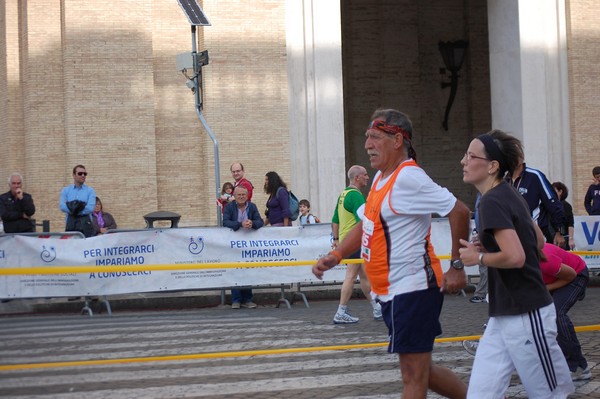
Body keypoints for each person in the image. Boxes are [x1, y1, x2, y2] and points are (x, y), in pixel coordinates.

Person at [314, 109, 470, 398]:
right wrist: (337, 255)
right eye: (366, 138)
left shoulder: (409, 177)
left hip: (413, 289)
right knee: (424, 372)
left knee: (412, 375)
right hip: (392, 292)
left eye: (374, 137)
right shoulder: (381, 178)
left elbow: (459, 211)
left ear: (397, 139)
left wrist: (457, 265)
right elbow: (367, 224)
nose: (367, 145)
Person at [459, 129, 574, 398]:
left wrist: (478, 258)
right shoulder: (510, 194)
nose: (463, 161)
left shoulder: (491, 202)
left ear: (492, 166)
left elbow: (517, 256)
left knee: (549, 394)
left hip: (526, 311)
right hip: (503, 314)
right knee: (481, 393)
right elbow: (535, 239)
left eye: (470, 156)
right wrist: (491, 245)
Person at [330, 165, 382, 324]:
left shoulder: (343, 195)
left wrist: (337, 239)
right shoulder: (356, 196)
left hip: (348, 241)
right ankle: (340, 311)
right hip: (355, 241)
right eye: (365, 175)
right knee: (351, 276)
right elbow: (364, 221)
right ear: (357, 178)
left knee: (364, 275)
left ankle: (377, 308)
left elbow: (335, 220)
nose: (368, 177)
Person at [539, 243, 590, 381]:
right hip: (553, 277)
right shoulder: (514, 260)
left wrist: (547, 288)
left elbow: (570, 276)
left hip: (576, 274)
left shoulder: (544, 259)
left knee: (556, 314)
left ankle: (578, 367)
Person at [509, 155, 565, 247]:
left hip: (536, 235)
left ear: (521, 157)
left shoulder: (535, 176)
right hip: (513, 236)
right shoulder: (505, 180)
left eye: (514, 154)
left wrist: (559, 231)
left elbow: (553, 203)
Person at [222, 185, 264, 309]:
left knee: (247, 270)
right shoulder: (229, 207)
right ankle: (236, 300)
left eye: (243, 195)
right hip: (233, 245)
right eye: (239, 195)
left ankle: (247, 299)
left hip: (248, 245)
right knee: (235, 270)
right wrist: (240, 224)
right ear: (234, 196)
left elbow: (260, 221)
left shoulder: (252, 206)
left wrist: (252, 223)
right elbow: (225, 222)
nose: (241, 197)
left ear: (247, 196)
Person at [59, 165, 96, 237]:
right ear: (73, 175)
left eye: (85, 174)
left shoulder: (90, 191)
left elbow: (90, 208)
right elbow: (62, 206)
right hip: (70, 225)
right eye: (80, 173)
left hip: (86, 226)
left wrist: (73, 209)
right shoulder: (66, 190)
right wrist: (80, 207)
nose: (83, 175)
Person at [552, 182, 575, 250]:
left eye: (553, 191)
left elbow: (570, 223)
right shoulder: (549, 205)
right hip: (550, 238)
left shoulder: (566, 206)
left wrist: (571, 239)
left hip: (563, 239)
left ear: (560, 192)